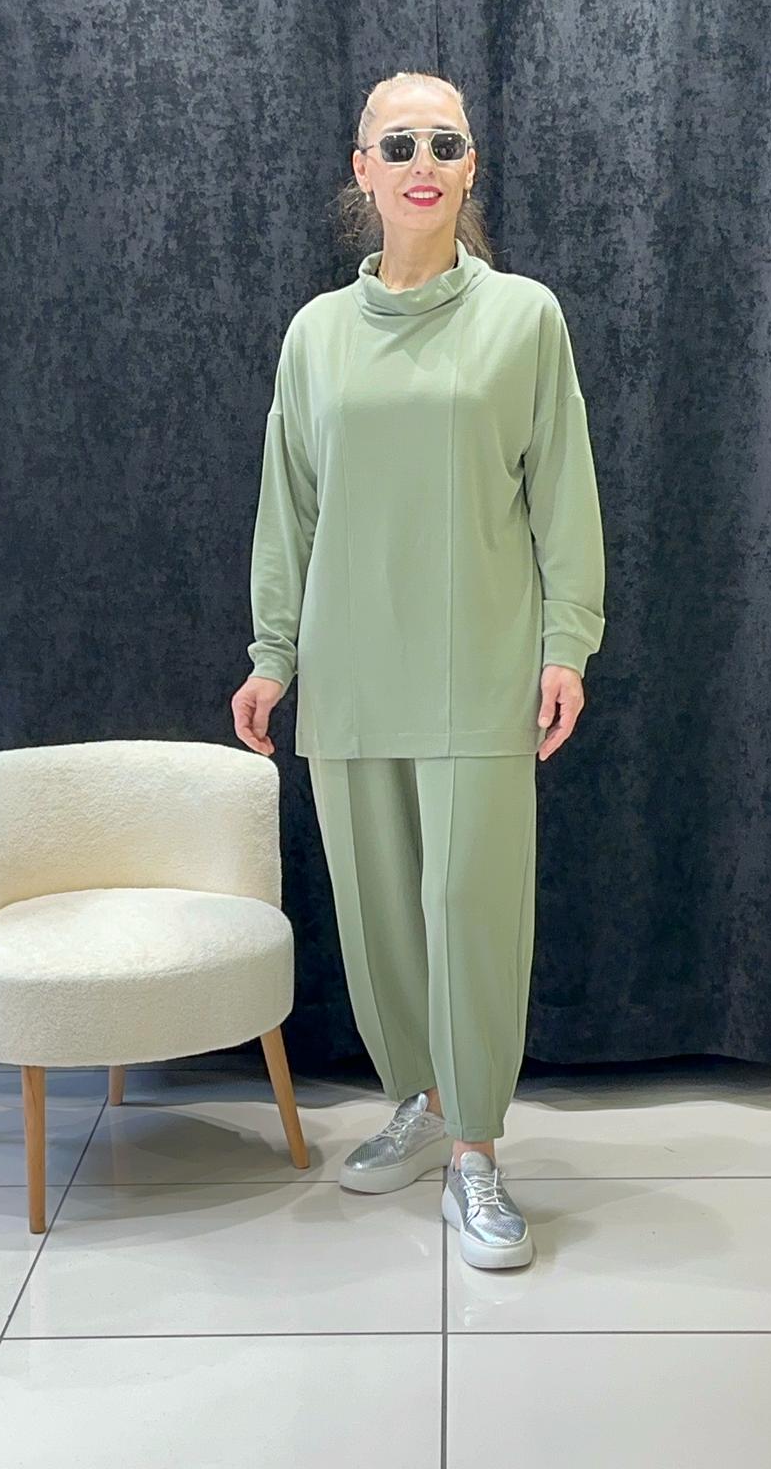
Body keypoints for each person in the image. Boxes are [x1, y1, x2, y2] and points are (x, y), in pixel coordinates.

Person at [232, 70, 606, 1271]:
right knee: (382, 913)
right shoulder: (315, 335)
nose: (422, 163)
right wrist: (273, 655)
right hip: (349, 669)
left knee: (469, 911)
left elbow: (562, 492)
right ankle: (425, 1098)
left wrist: (567, 641)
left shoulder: (524, 318)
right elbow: (290, 505)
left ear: (472, 163)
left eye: (445, 142)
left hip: (477, 664)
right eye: (398, 144)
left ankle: (477, 1151)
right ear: (363, 169)